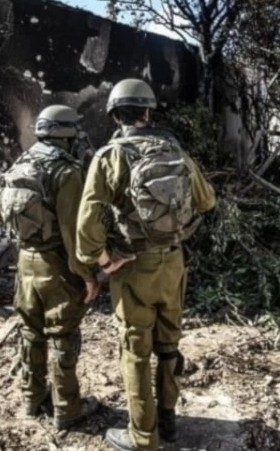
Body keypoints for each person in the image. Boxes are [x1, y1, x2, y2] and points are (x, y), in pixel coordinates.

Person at [76, 79, 217, 450]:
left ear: (114, 116)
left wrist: (107, 261)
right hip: (173, 263)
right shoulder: (174, 151)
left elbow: (87, 228)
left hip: (133, 267)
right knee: (168, 344)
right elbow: (207, 201)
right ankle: (168, 423)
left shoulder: (110, 156)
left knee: (135, 351)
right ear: (149, 112)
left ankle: (142, 437)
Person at [0, 104, 100, 430]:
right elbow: (73, 232)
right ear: (68, 134)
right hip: (57, 266)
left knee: (30, 333)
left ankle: (32, 399)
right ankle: (67, 409)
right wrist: (87, 276)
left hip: (25, 264)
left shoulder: (21, 164)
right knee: (63, 337)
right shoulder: (66, 171)